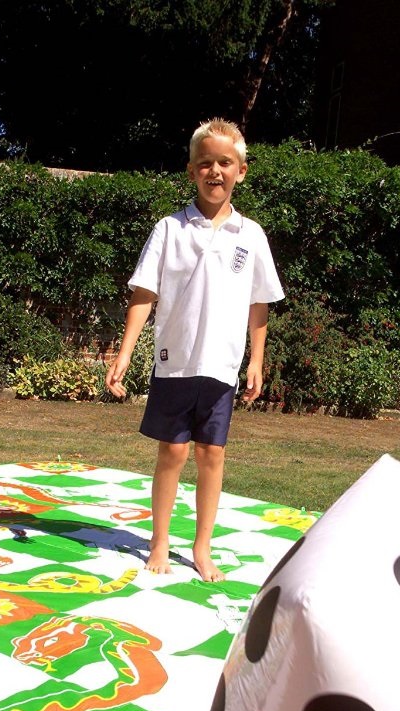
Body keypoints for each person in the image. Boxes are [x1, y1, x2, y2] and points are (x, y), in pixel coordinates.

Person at [104, 118, 284, 583]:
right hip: (175, 361)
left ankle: (202, 547)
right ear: (191, 171)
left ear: (241, 170)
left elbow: (259, 301)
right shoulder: (169, 229)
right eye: (206, 163)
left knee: (211, 455)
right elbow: (144, 293)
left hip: (222, 366)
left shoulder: (252, 235)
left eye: (225, 162)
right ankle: (160, 540)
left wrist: (256, 360)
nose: (215, 171)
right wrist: (125, 353)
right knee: (174, 452)